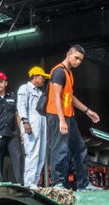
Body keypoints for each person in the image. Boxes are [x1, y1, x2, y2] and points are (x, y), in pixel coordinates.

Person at [45, 44, 102, 190]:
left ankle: (84, 184)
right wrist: (62, 120)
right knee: (60, 149)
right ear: (68, 54)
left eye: (80, 60)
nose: (78, 62)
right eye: (76, 58)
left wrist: (87, 111)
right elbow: (56, 96)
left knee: (80, 148)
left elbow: (69, 97)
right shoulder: (58, 72)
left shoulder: (69, 73)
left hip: (68, 116)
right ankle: (57, 183)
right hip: (57, 116)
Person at [16, 66, 49, 188]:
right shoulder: (25, 88)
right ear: (35, 76)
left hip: (41, 121)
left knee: (41, 154)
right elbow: (21, 106)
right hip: (31, 120)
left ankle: (34, 182)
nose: (43, 80)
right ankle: (29, 183)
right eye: (42, 77)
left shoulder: (40, 92)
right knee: (32, 153)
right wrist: (25, 122)